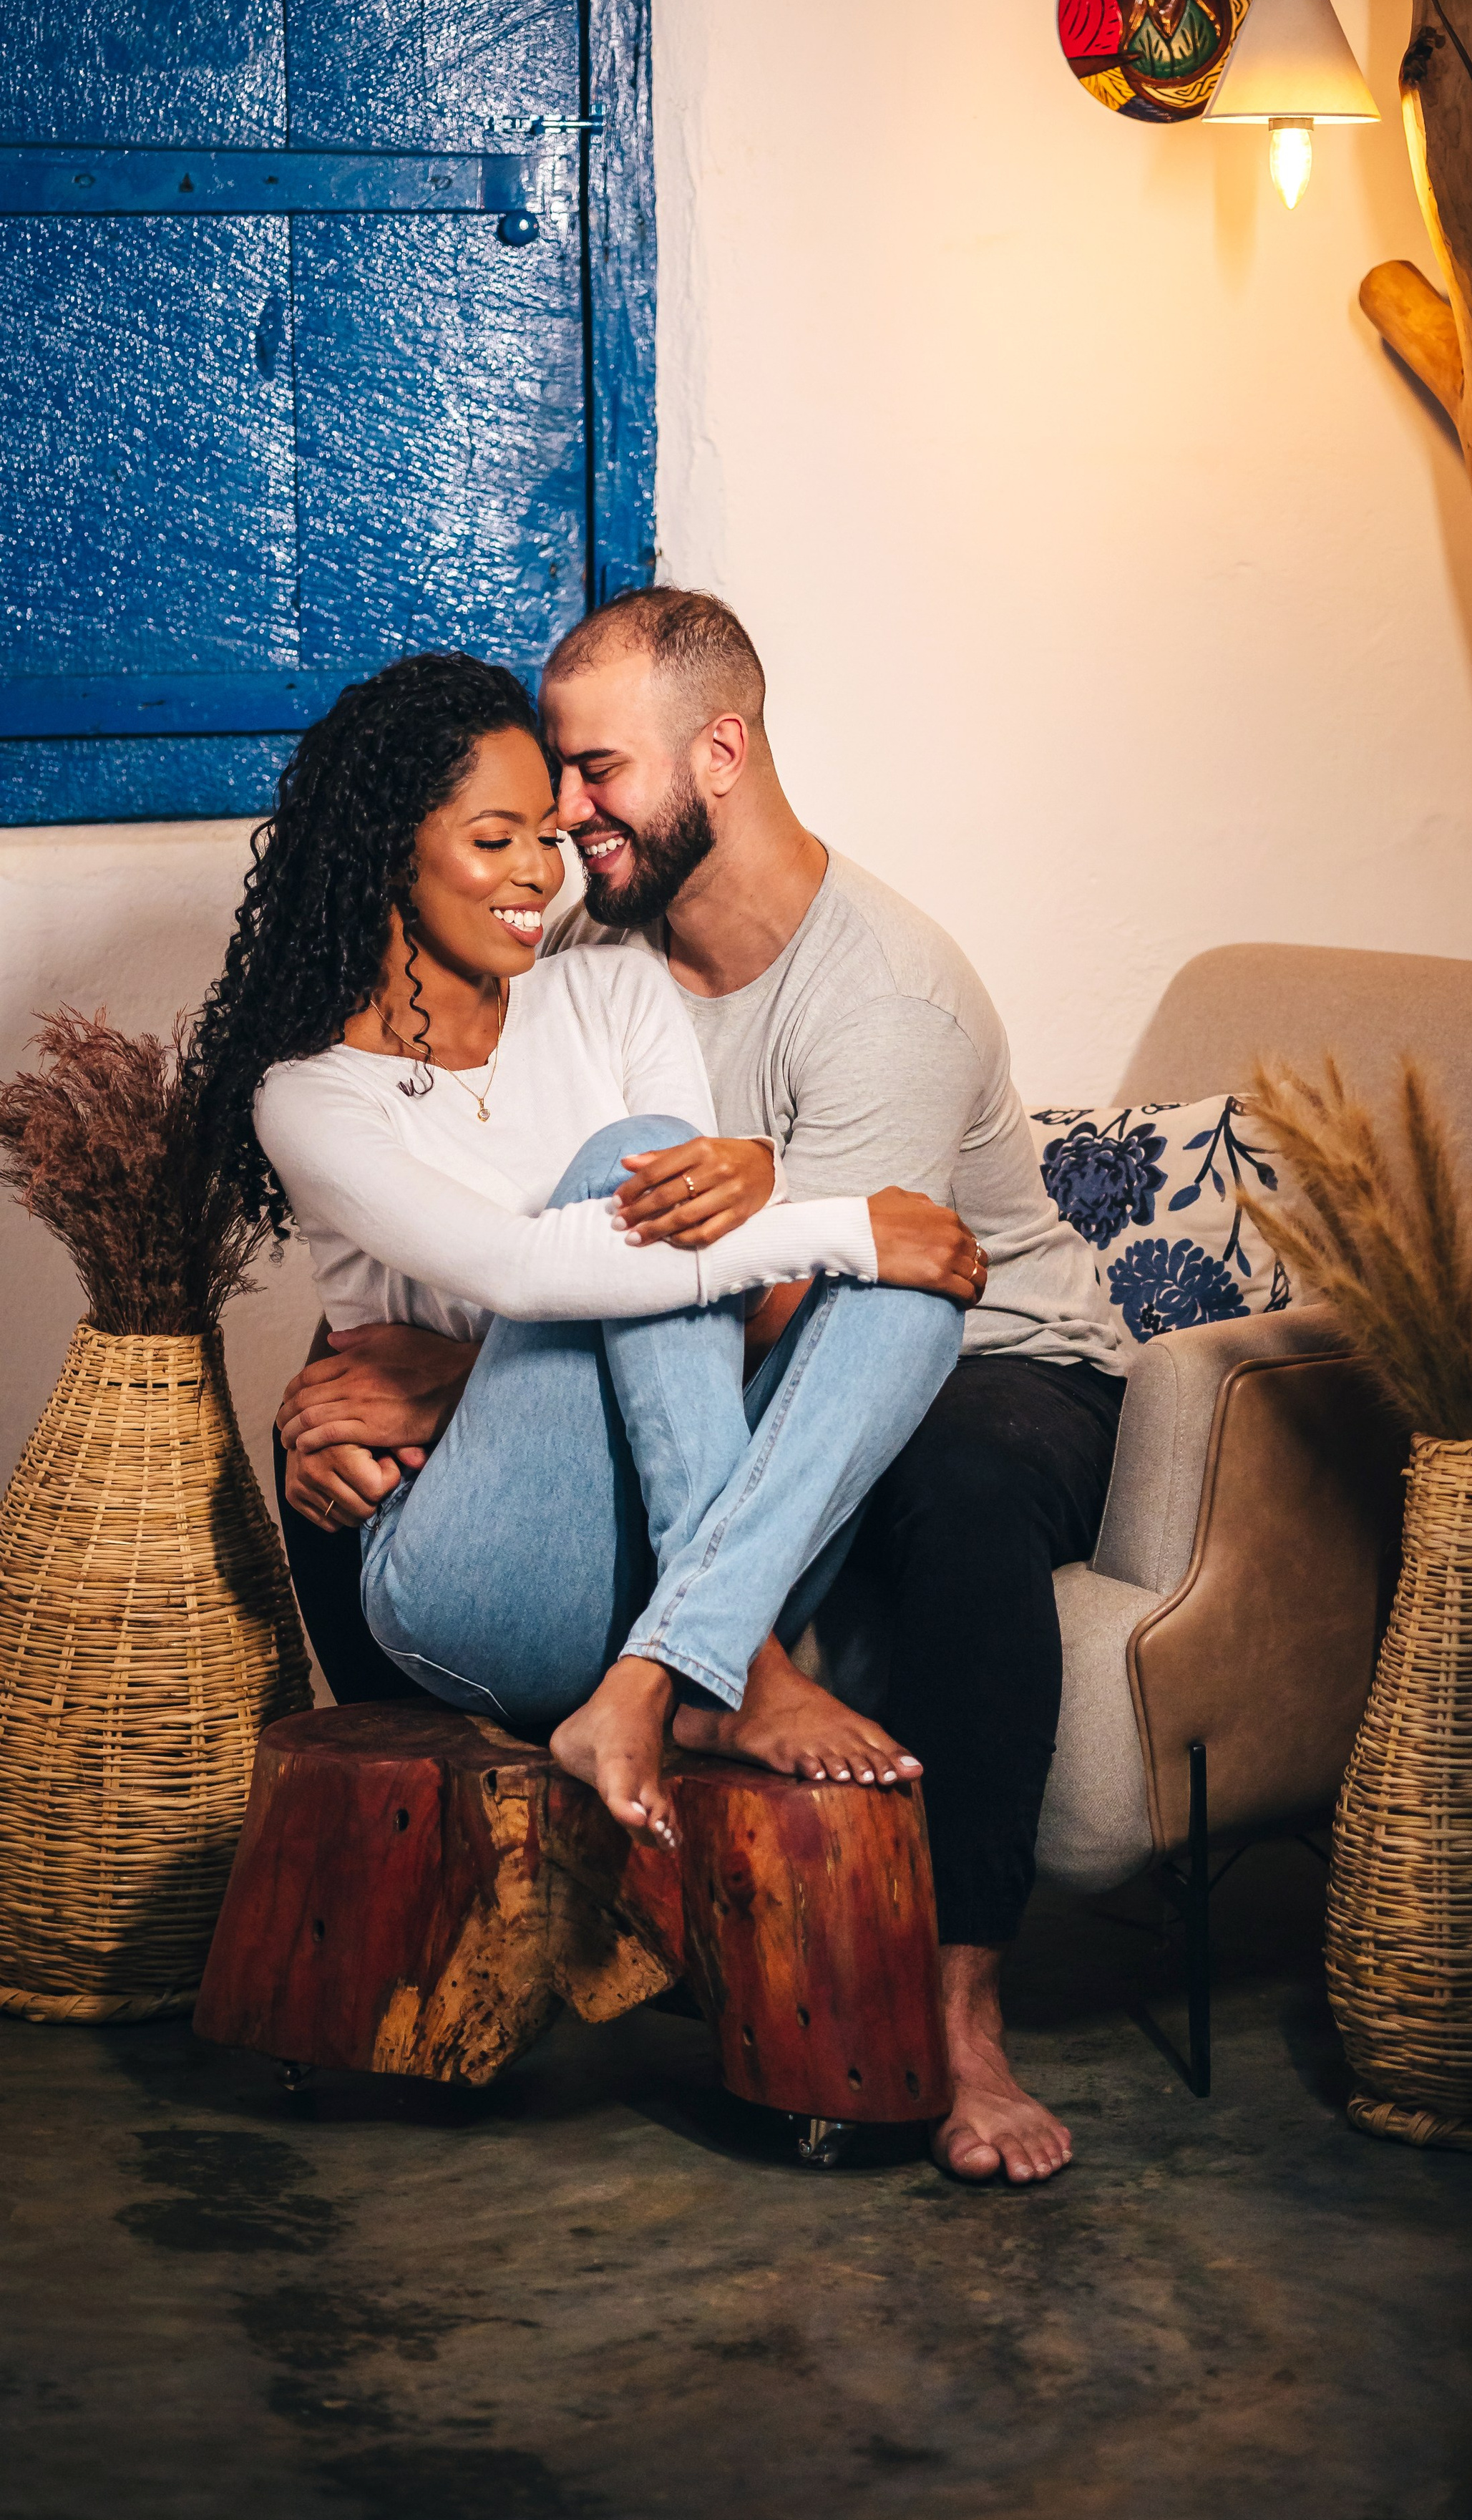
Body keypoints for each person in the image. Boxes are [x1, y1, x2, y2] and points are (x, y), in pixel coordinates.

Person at [278, 592, 1130, 2186]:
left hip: (991, 1352)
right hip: (719, 1352)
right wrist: (372, 1384)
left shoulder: (882, 995)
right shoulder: (589, 946)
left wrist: (457, 1382)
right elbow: (522, 1238)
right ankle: (711, 1672)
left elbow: (814, 1285)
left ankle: (961, 2022)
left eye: (593, 773)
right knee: (642, 1209)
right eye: (538, 792)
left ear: (719, 756)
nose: (562, 820)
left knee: (948, 1463)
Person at [190, 652, 988, 1842]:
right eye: (495, 838)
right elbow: (530, 1271)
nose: (540, 869)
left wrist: (787, 1204)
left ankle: (668, 1674)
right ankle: (741, 1667)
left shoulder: (613, 990)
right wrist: (843, 1227)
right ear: (392, 852)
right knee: (649, 1161)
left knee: (911, 1303)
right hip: (477, 1582)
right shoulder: (310, 1097)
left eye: (546, 838)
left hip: (674, 1562)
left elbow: (702, 1283)